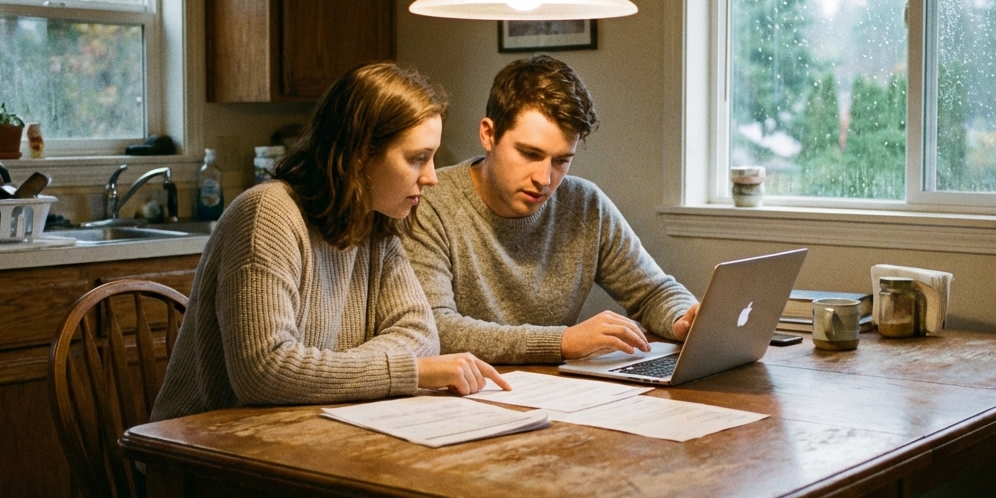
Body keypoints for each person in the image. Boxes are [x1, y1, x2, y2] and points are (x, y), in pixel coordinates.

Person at [152, 62, 508, 422]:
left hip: (309, 427)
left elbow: (420, 333)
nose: (431, 177)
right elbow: (265, 371)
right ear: (359, 153)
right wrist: (409, 372)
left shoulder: (374, 221)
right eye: (417, 159)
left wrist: (334, 373)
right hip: (203, 449)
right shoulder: (267, 215)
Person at [403, 55, 700, 365]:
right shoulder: (429, 203)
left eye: (561, 161)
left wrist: (683, 318)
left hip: (555, 390)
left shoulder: (585, 205)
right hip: (465, 398)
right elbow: (436, 328)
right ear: (488, 135)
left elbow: (653, 292)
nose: (544, 179)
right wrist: (562, 341)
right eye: (530, 154)